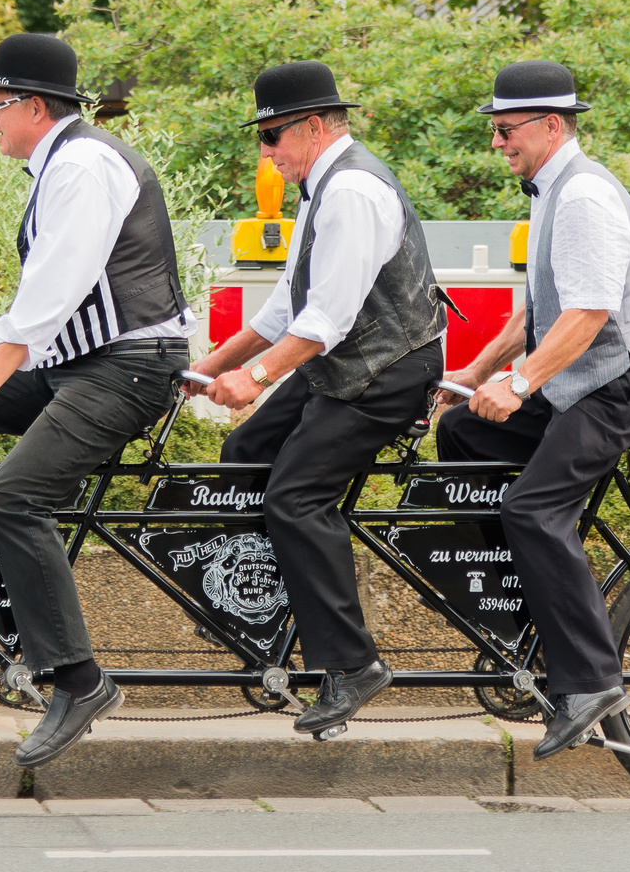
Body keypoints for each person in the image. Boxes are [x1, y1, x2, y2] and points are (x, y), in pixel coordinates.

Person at [0, 33, 195, 767]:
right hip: (81, 363)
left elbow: (53, 291)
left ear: (33, 106)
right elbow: (47, 308)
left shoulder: (85, 166)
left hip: (126, 370)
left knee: (14, 497)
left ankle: (80, 681)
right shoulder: (59, 162)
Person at [185, 60, 448, 736]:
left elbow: (326, 318)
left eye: (271, 137)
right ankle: (260, 605)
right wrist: (203, 368)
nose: (266, 155)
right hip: (342, 364)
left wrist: (257, 377)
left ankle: (352, 663)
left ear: (310, 128)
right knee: (245, 451)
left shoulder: (353, 191)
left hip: (384, 373)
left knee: (296, 497)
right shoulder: (320, 188)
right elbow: (284, 309)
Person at [435, 59, 630, 759]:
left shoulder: (582, 197)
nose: (496, 142)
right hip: (582, 376)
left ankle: (590, 679)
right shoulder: (549, 188)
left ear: (550, 125)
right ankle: (527, 612)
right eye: (494, 129)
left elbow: (587, 312)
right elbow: (539, 307)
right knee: (461, 434)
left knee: (531, 510)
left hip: (622, 381)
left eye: (505, 129)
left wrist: (518, 384)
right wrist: (474, 374)